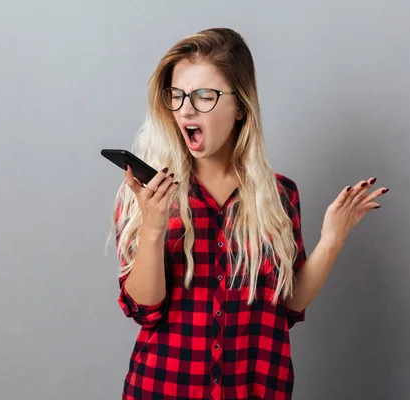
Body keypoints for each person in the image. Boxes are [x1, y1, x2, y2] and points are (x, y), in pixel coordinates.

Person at [106, 27, 389, 400]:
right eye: (177, 96)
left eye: (204, 95)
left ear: (240, 106)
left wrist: (333, 238)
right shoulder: (149, 193)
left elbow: (287, 305)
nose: (186, 108)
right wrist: (155, 227)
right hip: (164, 388)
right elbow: (145, 308)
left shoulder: (279, 195)